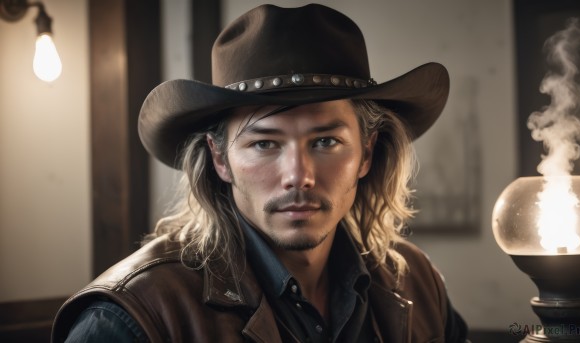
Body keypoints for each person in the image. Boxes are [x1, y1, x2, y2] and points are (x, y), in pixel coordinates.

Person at [52, 3, 468, 342]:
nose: (298, 176)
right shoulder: (134, 316)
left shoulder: (414, 283)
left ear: (366, 153)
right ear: (220, 159)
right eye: (265, 143)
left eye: (325, 141)